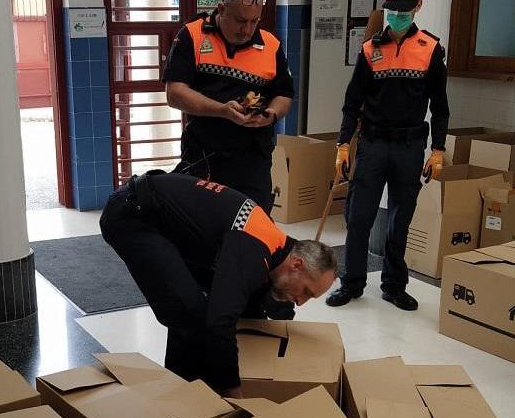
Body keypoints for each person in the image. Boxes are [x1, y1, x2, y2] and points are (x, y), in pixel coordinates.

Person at [100, 171, 337, 398]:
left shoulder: (275, 244)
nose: (301, 301)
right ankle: (183, 401)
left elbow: (248, 306)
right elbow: (220, 322)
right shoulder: (253, 250)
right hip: (131, 216)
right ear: (297, 264)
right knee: (191, 313)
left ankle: (188, 389)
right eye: (306, 291)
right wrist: (233, 392)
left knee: (205, 310)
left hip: (164, 219)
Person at [324, 0, 449, 312]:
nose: (398, 15)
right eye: (392, 9)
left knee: (399, 219)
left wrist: (438, 149)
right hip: (373, 144)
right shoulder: (370, 50)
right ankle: (352, 283)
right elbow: (352, 104)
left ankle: (394, 285)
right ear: (384, 7)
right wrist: (342, 144)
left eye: (405, 10)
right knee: (360, 216)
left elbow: (440, 106)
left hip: (409, 146)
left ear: (418, 7)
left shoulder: (431, 49)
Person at [163, 0, 294, 213]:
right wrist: (222, 110)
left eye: (254, 21)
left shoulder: (271, 45)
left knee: (254, 228)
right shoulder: (192, 35)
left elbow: (284, 95)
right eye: (240, 20)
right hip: (204, 154)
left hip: (253, 158)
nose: (247, 30)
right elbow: (174, 93)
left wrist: (271, 114)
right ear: (221, 8)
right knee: (201, 227)